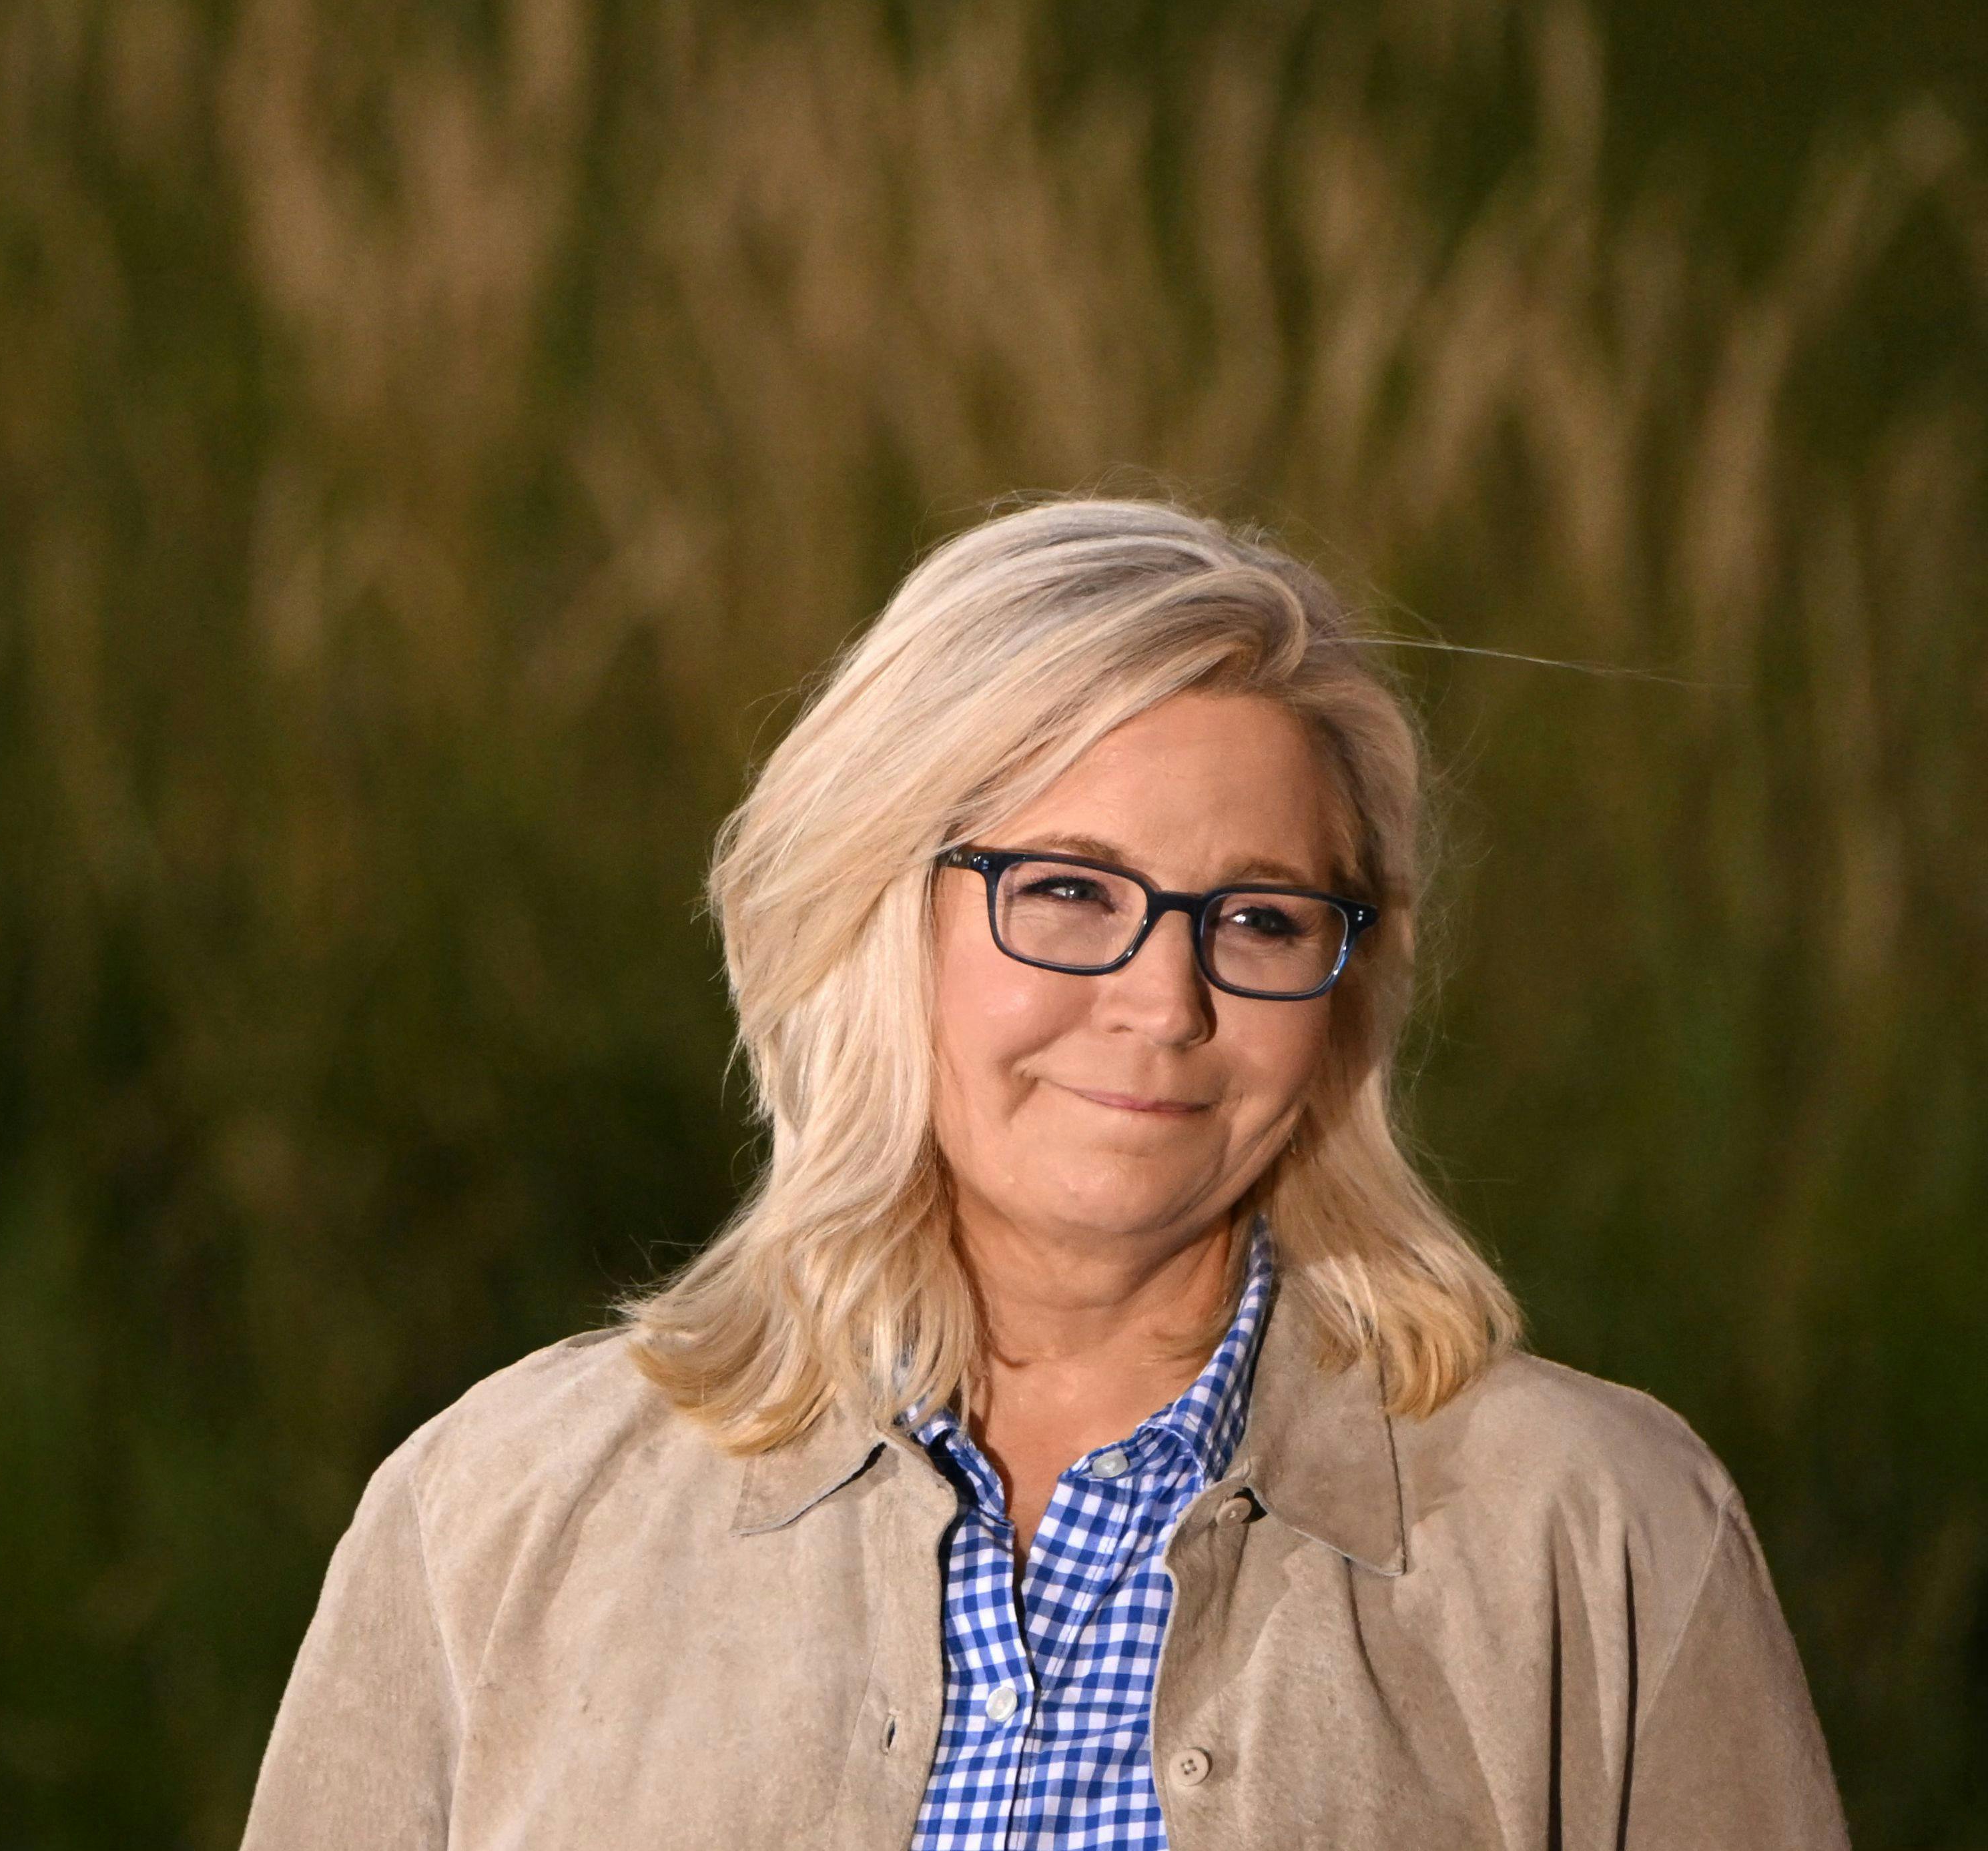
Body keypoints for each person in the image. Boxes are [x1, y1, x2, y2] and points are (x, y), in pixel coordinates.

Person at [238, 498, 1847, 1851]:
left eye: (1260, 918)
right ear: (876, 911)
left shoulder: (1596, 1534)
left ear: (1346, 985)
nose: (1165, 1002)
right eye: (1068, 890)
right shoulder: (492, 1514)